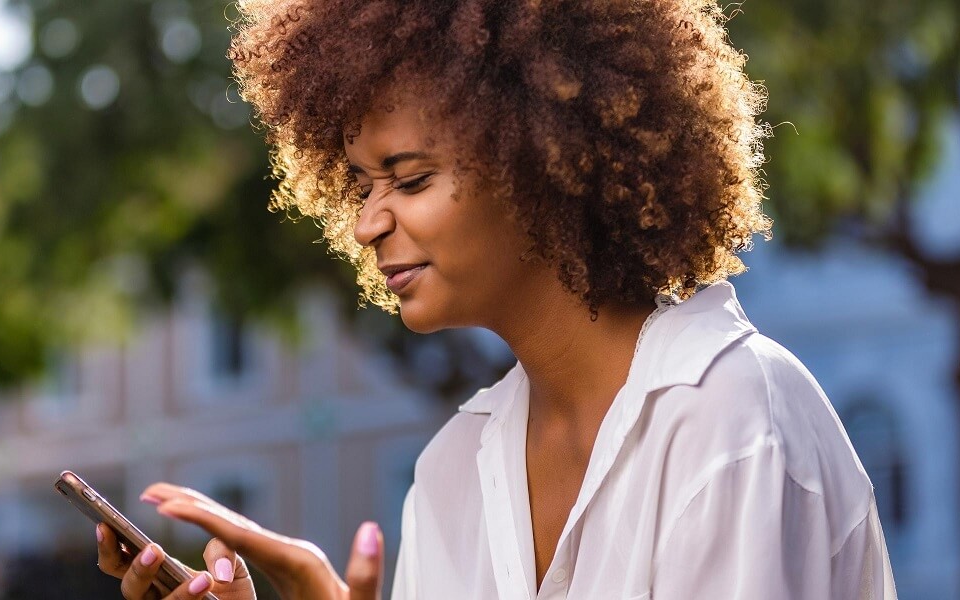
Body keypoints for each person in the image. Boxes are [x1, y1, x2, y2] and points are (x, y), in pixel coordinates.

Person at [95, 0, 898, 598]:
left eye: (411, 179)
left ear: (542, 162)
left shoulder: (732, 419)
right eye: (361, 186)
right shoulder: (451, 472)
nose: (368, 223)